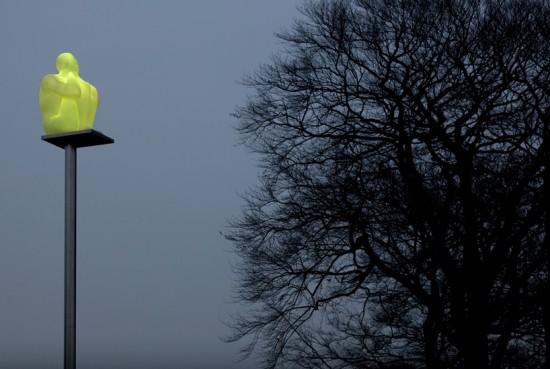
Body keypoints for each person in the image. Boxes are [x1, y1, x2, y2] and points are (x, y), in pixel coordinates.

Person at [39, 52, 98, 134]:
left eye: (74, 62)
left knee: (92, 90)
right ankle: (78, 126)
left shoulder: (86, 86)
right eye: (70, 62)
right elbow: (73, 91)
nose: (74, 64)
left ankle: (84, 126)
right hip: (55, 123)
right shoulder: (50, 79)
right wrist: (71, 76)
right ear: (60, 65)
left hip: (76, 123)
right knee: (69, 98)